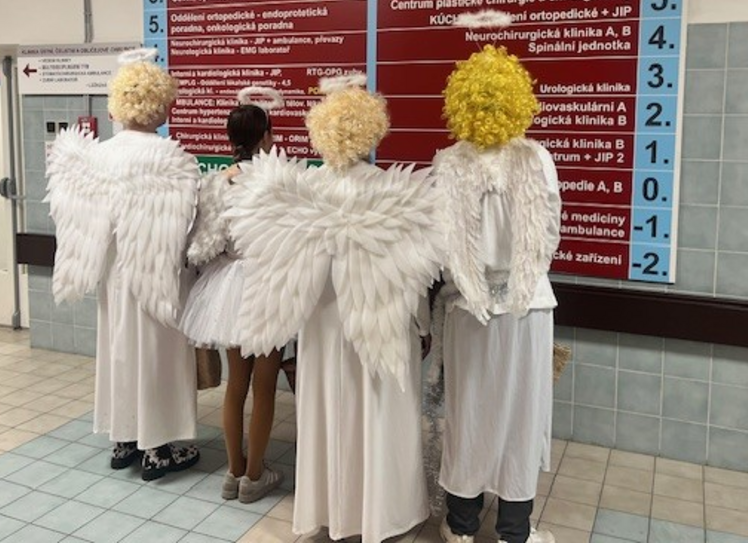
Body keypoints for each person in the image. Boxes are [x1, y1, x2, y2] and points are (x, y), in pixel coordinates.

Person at [224, 74, 442, 543]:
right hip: (380, 326)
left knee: (326, 414)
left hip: (322, 327)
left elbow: (271, 265)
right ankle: (381, 513)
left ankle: (327, 510)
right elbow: (413, 275)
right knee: (377, 413)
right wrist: (423, 328)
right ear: (373, 131)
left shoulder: (303, 190)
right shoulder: (393, 192)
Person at [46, 49, 201, 481]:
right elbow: (187, 227)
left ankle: (123, 441)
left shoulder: (95, 157)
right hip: (156, 277)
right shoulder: (172, 159)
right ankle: (158, 449)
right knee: (157, 357)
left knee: (118, 353)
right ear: (161, 105)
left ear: (118, 105)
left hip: (113, 279)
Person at [433, 41, 562, 543]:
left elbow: (442, 243)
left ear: (461, 102)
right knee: (522, 414)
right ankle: (514, 531)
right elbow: (547, 233)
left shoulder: (448, 163)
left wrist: (473, 283)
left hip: (469, 308)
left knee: (467, 411)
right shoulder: (537, 158)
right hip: (528, 306)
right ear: (517, 99)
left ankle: (461, 525)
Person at [179, 86, 285, 503]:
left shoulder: (216, 182)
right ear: (265, 136)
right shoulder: (277, 180)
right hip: (267, 285)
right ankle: (255, 477)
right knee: (265, 385)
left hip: (226, 286)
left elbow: (205, 243)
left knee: (236, 384)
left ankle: (233, 471)